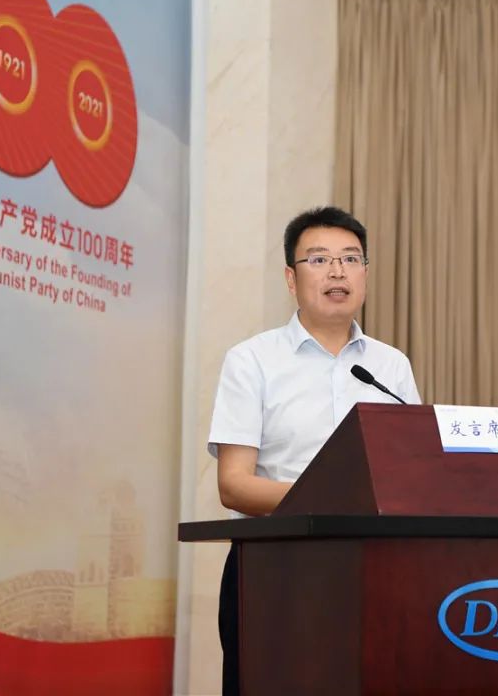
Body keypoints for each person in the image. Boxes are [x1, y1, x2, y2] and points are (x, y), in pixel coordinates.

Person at [206, 206, 420, 695]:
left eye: (351, 259)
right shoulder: (252, 360)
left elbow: (406, 476)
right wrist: (334, 501)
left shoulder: (391, 366)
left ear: (365, 273)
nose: (337, 272)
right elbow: (234, 486)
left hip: (374, 571)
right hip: (275, 571)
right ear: (291, 278)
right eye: (320, 259)